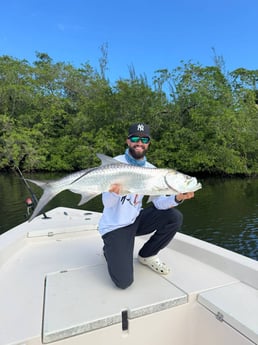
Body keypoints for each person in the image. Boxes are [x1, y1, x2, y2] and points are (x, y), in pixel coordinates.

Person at [98, 123, 194, 289]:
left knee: (174, 217)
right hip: (115, 226)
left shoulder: (152, 171)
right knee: (124, 282)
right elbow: (107, 204)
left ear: (148, 143)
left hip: (136, 219)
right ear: (128, 141)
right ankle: (110, 249)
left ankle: (147, 255)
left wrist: (177, 198)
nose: (139, 143)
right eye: (135, 138)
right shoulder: (115, 165)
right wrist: (114, 192)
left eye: (144, 139)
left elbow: (159, 203)